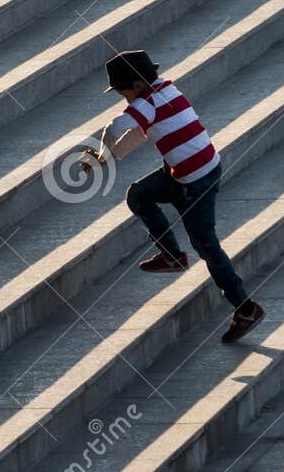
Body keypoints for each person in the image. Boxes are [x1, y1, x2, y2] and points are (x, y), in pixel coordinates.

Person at [83, 50, 265, 344]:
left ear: (137, 85)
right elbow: (139, 134)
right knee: (139, 195)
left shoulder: (146, 102)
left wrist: (103, 148)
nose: (123, 99)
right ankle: (172, 255)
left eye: (122, 92)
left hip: (196, 182)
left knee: (206, 246)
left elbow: (116, 127)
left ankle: (246, 308)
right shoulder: (166, 89)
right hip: (187, 172)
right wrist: (109, 157)